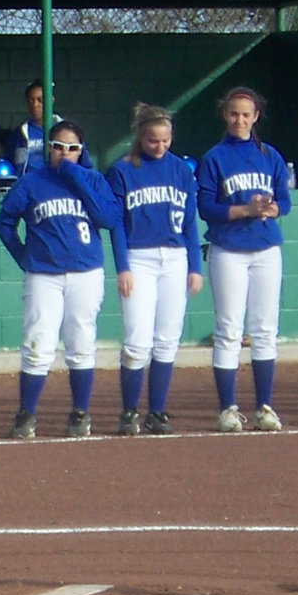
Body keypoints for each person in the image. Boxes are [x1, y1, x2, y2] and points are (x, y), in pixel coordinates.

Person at [0, 120, 121, 438]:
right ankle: (26, 413)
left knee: (81, 341)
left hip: (86, 272)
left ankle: (80, 413)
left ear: (82, 151)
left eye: (73, 148)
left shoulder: (92, 179)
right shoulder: (32, 182)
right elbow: (5, 223)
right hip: (44, 274)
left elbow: (108, 218)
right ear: (48, 148)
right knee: (37, 342)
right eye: (58, 146)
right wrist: (23, 257)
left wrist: (76, 176)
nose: (65, 153)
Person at [197, 86, 291, 433]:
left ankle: (265, 406)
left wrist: (272, 208)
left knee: (265, 329)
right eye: (234, 113)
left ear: (256, 117)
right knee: (229, 330)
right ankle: (228, 409)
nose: (240, 119)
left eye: (246, 114)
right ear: (226, 115)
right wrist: (244, 210)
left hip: (266, 248)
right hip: (228, 250)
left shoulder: (270, 155)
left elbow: (285, 199)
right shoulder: (215, 157)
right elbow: (206, 207)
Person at [106, 104, 203, 436]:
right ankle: (130, 411)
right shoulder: (123, 170)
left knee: (167, 339)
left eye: (165, 140)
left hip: (175, 259)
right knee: (136, 340)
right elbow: (117, 224)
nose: (159, 147)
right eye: (152, 141)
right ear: (140, 137)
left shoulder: (182, 170)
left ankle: (157, 411)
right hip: (139, 257)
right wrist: (122, 267)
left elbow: (190, 222)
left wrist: (195, 266)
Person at [5, 78, 92, 176]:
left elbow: (85, 167)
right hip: (29, 187)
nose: (35, 105)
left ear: (51, 100)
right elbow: (11, 167)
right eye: (30, 101)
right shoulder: (19, 134)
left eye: (40, 100)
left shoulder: (68, 130)